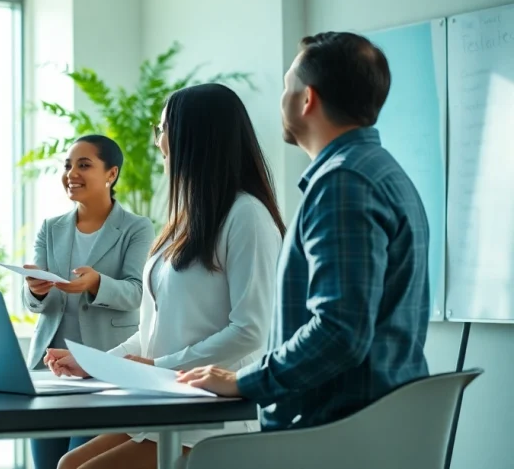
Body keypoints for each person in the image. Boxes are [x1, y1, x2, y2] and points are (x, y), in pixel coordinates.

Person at [177, 32, 431, 440]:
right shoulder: (382, 171)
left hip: (336, 433)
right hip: (374, 426)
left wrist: (246, 382)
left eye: (285, 87)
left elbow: (340, 331)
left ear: (306, 99)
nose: (282, 99)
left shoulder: (345, 183)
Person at [48, 84, 286, 469]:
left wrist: (160, 369)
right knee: (68, 464)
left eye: (162, 129)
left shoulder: (247, 217)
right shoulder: (185, 221)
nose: (158, 141)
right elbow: (152, 333)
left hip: (212, 412)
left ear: (193, 136)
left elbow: (250, 331)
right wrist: (93, 362)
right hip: (166, 400)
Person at [23, 135, 154, 469]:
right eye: (68, 165)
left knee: (78, 463)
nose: (71, 173)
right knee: (46, 463)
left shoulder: (136, 228)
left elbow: (138, 293)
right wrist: (36, 290)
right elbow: (35, 301)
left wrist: (97, 283)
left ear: (111, 174)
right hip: (49, 367)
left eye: (84, 165)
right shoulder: (51, 228)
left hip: (101, 367)